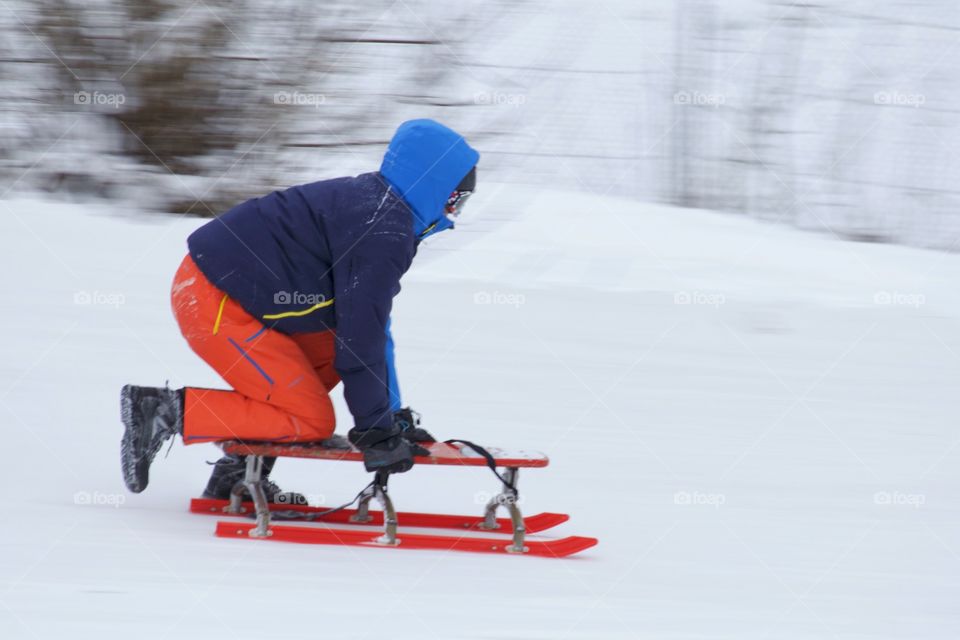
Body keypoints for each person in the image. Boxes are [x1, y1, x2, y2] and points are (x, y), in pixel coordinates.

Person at [119, 118, 479, 498]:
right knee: (310, 419)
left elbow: (370, 327)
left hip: (231, 292)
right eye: (456, 198)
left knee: (315, 371)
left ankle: (239, 472)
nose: (454, 212)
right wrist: (376, 431)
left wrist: (388, 418)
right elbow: (363, 335)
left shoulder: (379, 209)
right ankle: (161, 409)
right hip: (216, 300)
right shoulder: (383, 228)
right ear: (432, 184)